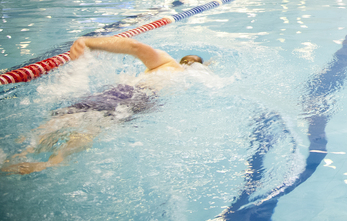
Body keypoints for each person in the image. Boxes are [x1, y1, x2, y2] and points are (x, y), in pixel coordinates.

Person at [1, 36, 204, 175]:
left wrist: (87, 41)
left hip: (124, 92)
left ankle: (21, 152)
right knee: (93, 128)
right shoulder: (189, 79)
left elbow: (135, 46)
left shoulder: (167, 63)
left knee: (62, 120)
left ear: (181, 60)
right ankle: (52, 162)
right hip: (144, 103)